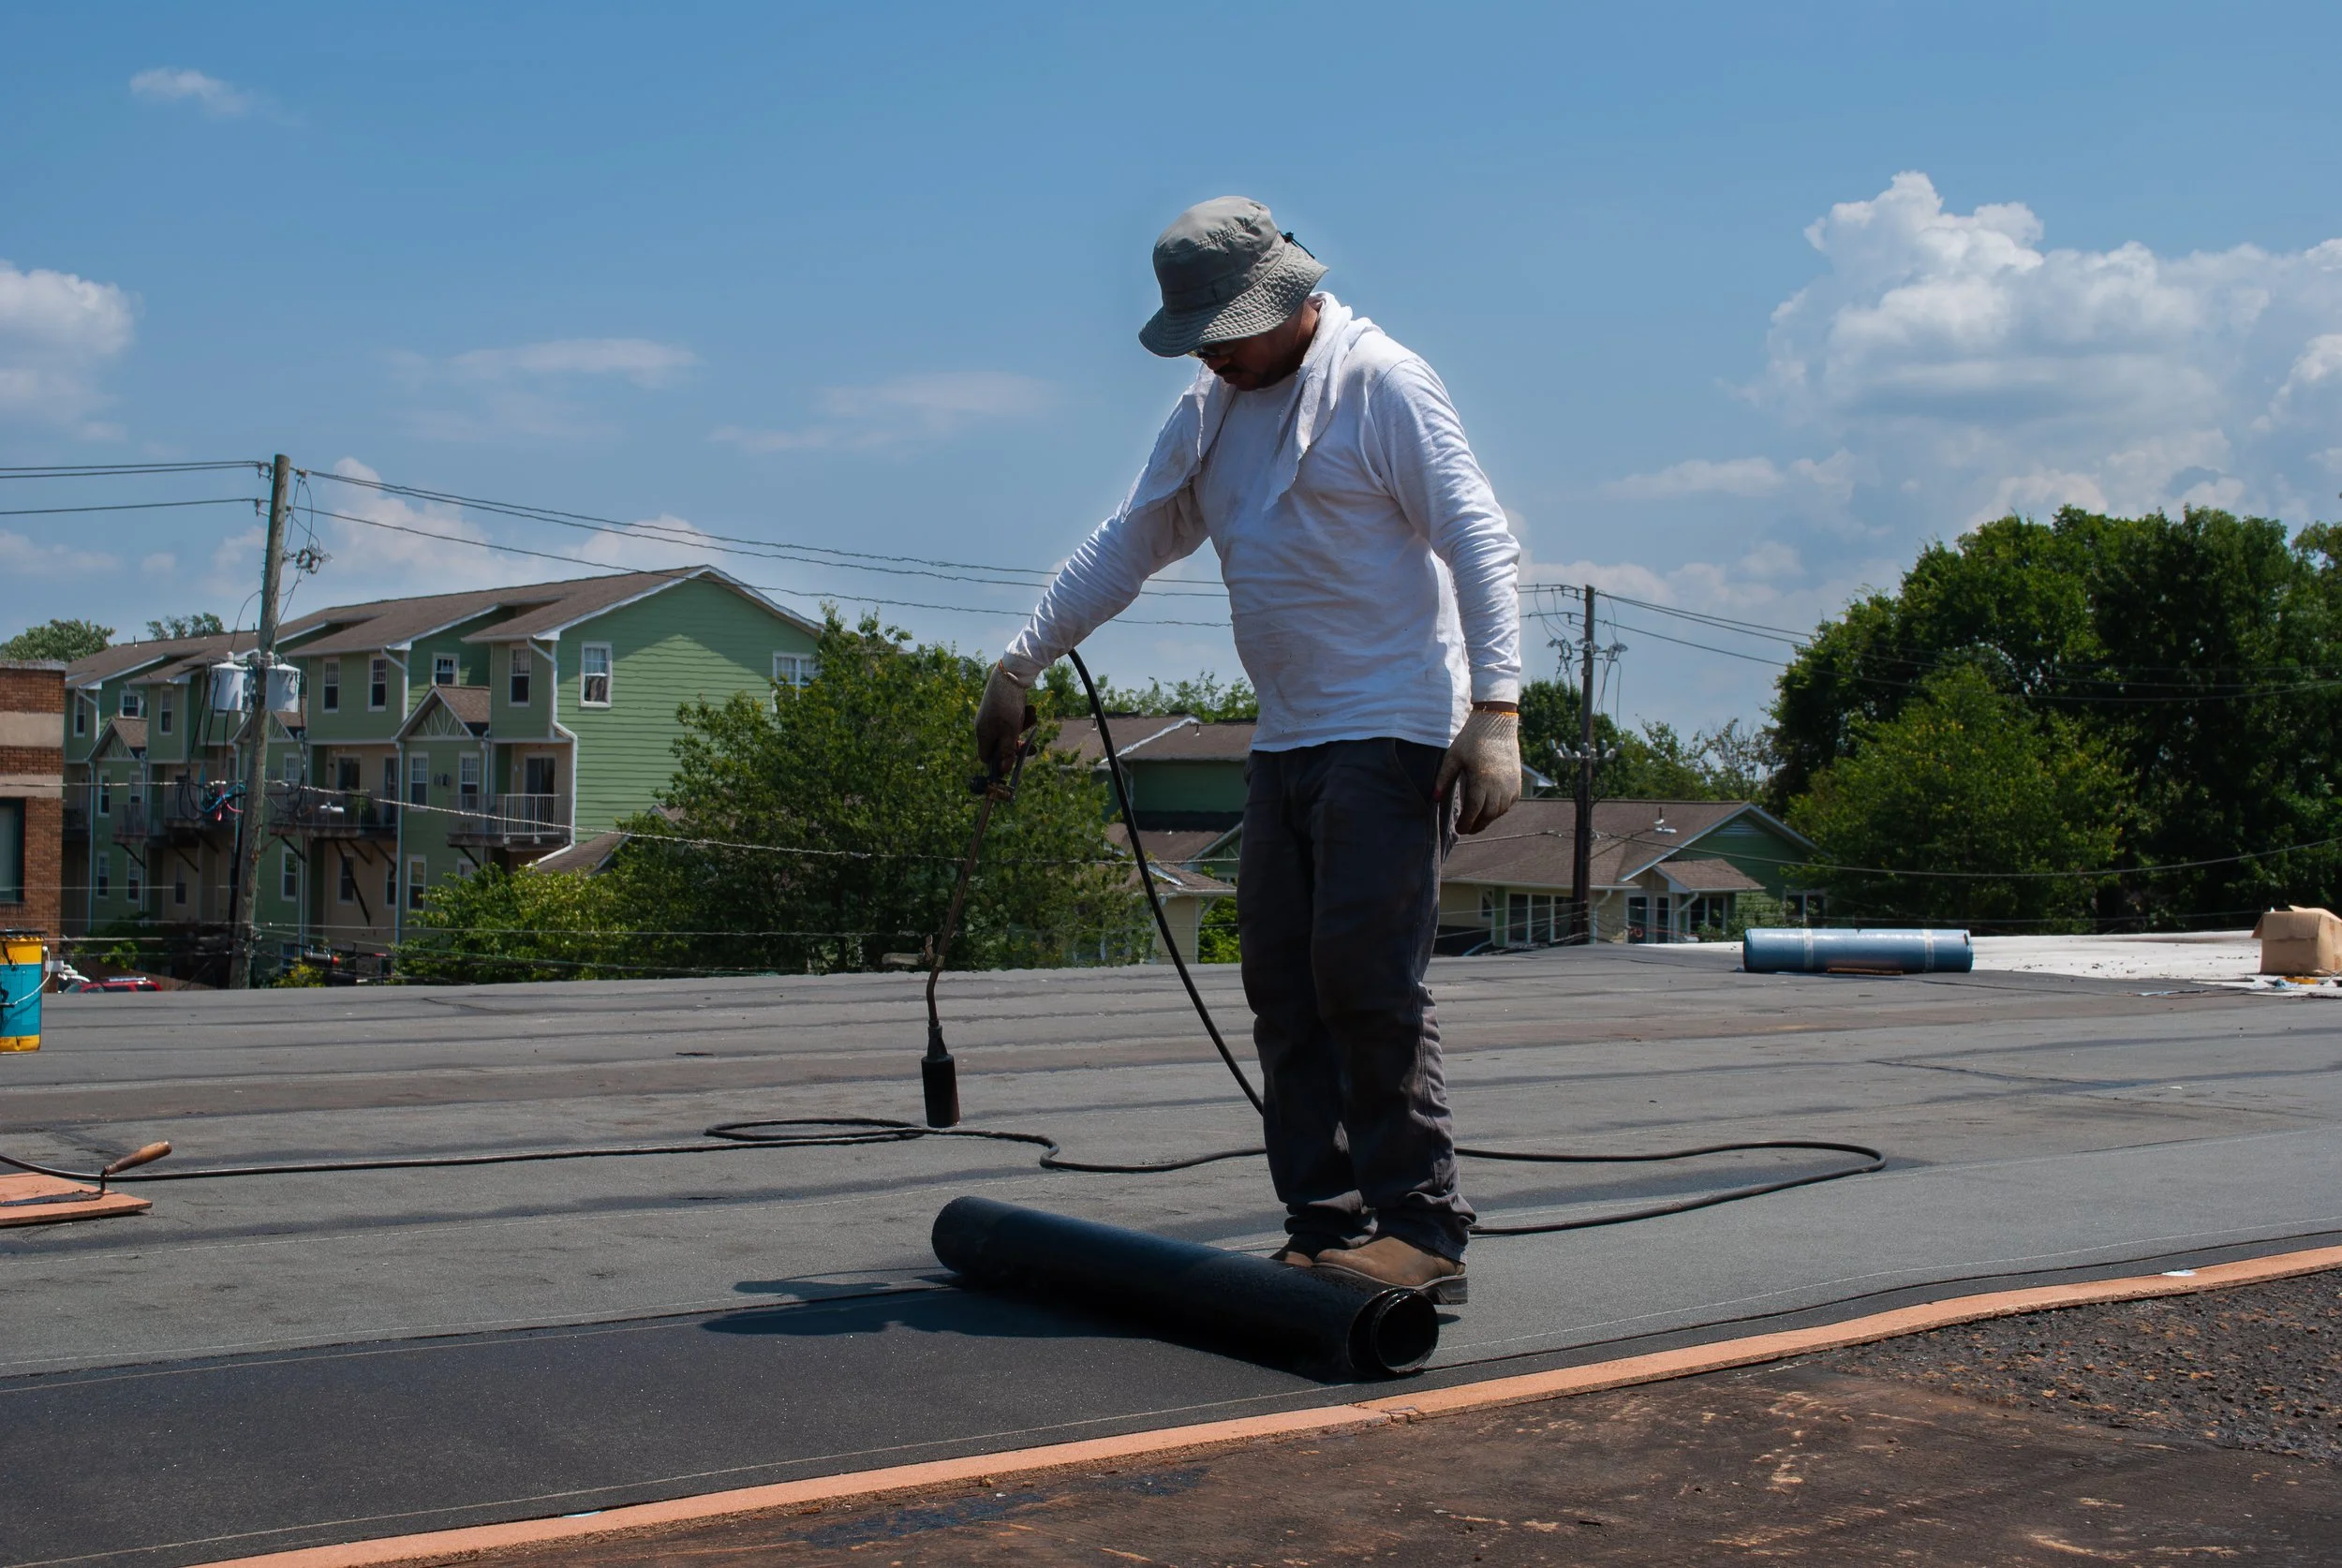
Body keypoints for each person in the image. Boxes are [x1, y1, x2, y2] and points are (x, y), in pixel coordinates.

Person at [976, 197, 1521, 1301]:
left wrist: (1497, 715)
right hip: (1288, 741)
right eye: (1201, 340)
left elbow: (1477, 536)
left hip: (1392, 728)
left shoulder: (1381, 384)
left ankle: (1422, 1229)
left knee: (1366, 984)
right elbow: (1127, 540)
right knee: (1280, 983)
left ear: (1291, 299)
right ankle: (1322, 1219)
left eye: (1230, 331)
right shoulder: (1208, 412)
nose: (1216, 355)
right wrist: (1017, 666)